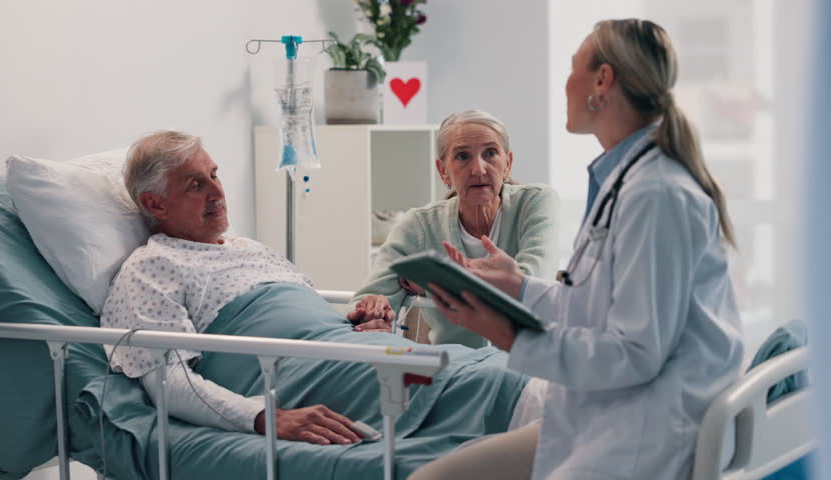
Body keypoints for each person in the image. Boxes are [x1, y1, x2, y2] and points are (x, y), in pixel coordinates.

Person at [411, 19, 744, 480]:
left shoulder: (655, 194)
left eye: (573, 69)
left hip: (646, 430)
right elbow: (600, 307)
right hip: (613, 412)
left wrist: (510, 336)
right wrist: (520, 286)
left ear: (602, 81)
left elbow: (634, 353)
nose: (566, 83)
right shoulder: (625, 181)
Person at [101, 130, 526, 454]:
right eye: (196, 185)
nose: (218, 192)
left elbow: (307, 324)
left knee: (498, 368)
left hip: (345, 350)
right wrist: (264, 416)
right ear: (155, 204)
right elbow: (169, 383)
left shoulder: (248, 248)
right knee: (492, 384)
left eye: (214, 175)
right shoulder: (151, 267)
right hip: (301, 374)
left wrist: (361, 323)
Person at [349, 110, 559, 348]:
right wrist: (372, 312)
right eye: (462, 156)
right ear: (443, 171)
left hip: (526, 359)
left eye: (490, 153)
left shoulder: (536, 201)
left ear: (507, 164)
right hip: (453, 362)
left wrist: (435, 286)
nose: (478, 169)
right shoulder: (419, 224)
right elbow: (369, 297)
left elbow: (530, 288)